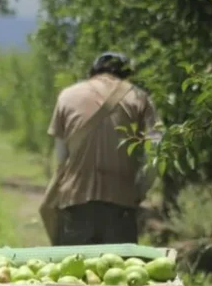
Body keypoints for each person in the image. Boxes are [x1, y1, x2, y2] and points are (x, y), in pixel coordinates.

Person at [39, 51, 162, 246]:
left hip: (75, 204)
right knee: (120, 274)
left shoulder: (67, 95)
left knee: (73, 274)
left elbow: (61, 159)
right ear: (126, 74)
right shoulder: (140, 97)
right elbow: (157, 149)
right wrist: (140, 189)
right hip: (120, 206)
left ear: (93, 72)